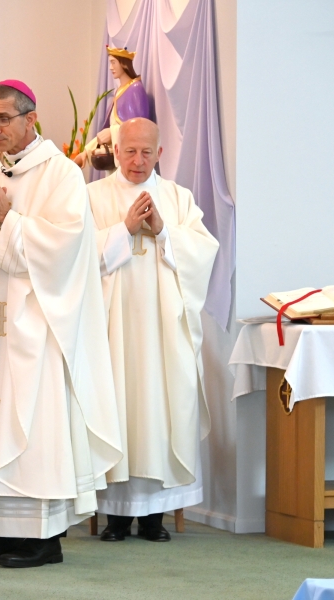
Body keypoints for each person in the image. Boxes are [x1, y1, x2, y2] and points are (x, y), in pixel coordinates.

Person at [0, 80, 122, 568]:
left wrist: (9, 221)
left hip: (38, 323)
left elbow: (66, 247)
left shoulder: (61, 174)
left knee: (33, 423)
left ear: (30, 118)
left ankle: (42, 538)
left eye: (3, 118)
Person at [86, 118, 218, 542]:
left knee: (160, 410)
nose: (138, 160)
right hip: (112, 328)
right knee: (117, 410)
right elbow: (76, 257)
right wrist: (123, 229)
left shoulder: (179, 199)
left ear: (160, 154)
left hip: (163, 330)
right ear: (116, 150)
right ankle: (116, 517)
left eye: (147, 152)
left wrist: (163, 232)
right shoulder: (92, 197)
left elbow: (203, 253)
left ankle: (154, 518)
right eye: (130, 151)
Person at [75, 45, 151, 169]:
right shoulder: (119, 91)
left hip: (132, 165)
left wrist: (113, 132)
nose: (111, 67)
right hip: (115, 160)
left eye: (113, 62)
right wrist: (86, 152)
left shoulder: (135, 89)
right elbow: (108, 131)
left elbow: (140, 129)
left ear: (123, 64)